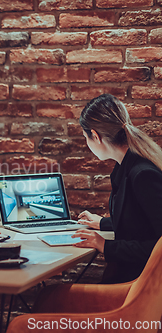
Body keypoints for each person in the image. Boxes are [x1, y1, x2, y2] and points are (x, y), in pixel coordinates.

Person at [72, 94, 162, 284]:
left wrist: (105, 245)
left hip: (141, 287)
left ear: (95, 136)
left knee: (51, 298)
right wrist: (103, 223)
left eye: (85, 138)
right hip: (137, 280)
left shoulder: (142, 174)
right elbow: (140, 222)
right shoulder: (127, 165)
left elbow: (159, 245)